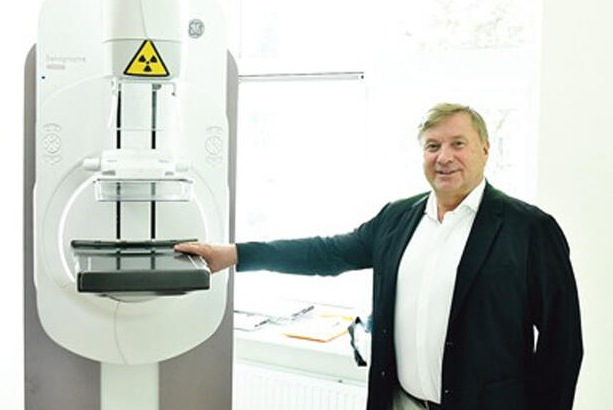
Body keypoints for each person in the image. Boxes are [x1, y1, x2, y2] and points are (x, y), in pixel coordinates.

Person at [175, 103, 583, 410]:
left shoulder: (529, 228)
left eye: (458, 144)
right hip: (399, 402)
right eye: (433, 146)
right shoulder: (397, 218)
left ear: (485, 150)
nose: (444, 157)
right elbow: (325, 253)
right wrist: (235, 254)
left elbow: (562, 344)